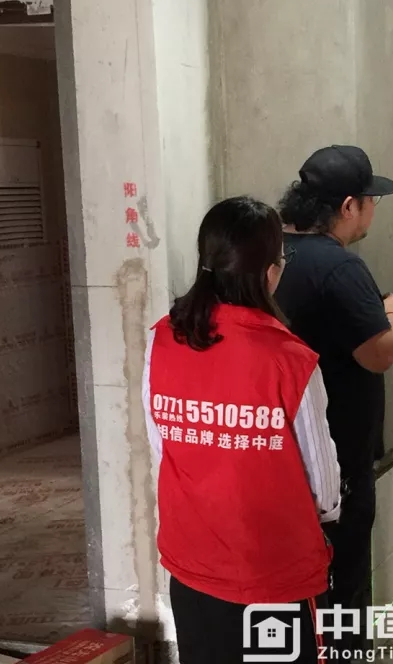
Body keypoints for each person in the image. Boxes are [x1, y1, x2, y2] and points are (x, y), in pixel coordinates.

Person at [144, 196, 341, 664]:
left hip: (192, 565)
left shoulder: (163, 339)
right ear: (270, 272)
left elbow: (162, 445)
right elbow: (324, 489)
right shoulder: (291, 359)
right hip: (275, 575)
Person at [275, 145, 393, 654]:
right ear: (349, 206)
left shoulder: (268, 253)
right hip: (338, 460)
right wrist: (392, 312)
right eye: (371, 201)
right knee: (344, 586)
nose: (372, 211)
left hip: (280, 454)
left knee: (295, 592)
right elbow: (380, 353)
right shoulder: (339, 267)